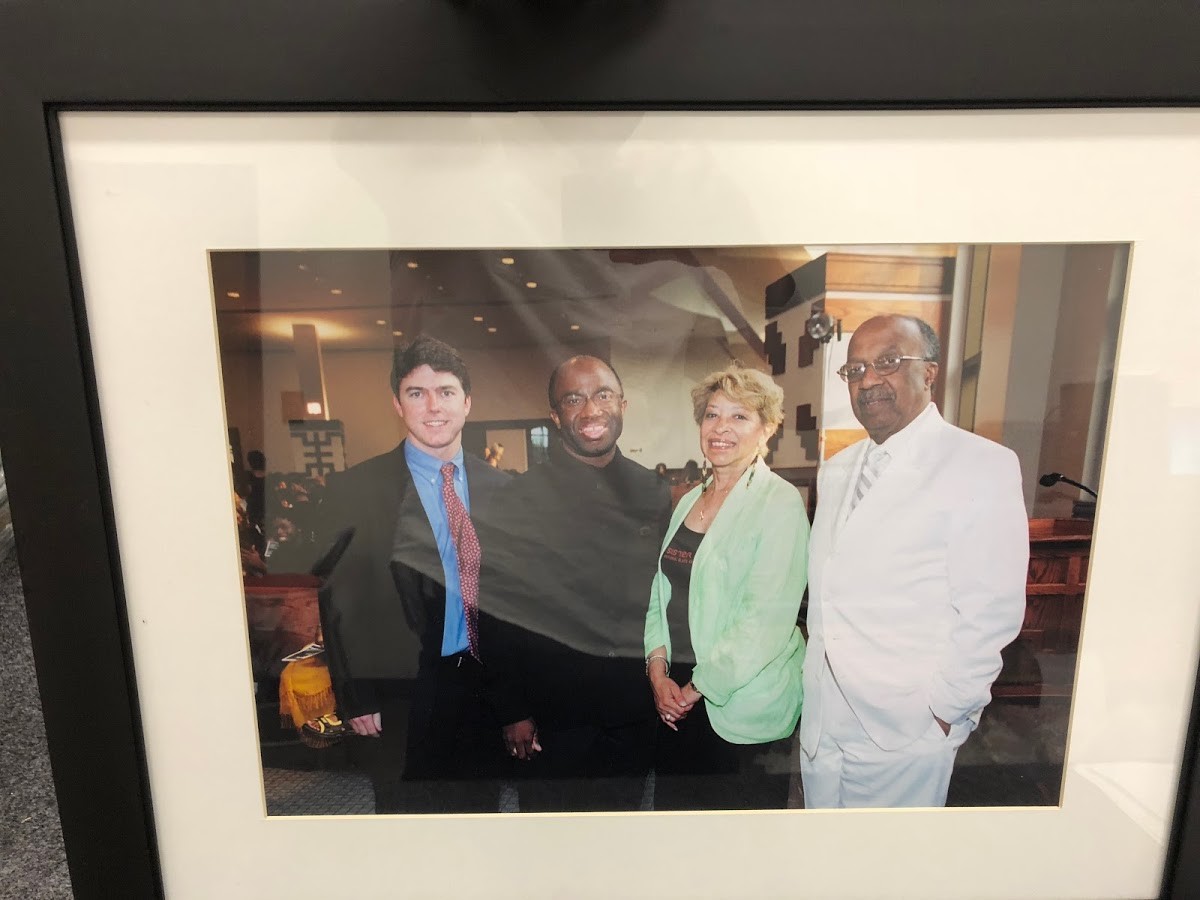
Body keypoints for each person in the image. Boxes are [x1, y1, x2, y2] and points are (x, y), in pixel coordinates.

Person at [800, 314, 1029, 808]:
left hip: (906, 723)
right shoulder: (836, 471)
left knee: (888, 872)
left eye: (887, 362)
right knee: (822, 865)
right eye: (855, 369)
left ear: (929, 372)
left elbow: (991, 609)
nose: (868, 380)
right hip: (823, 719)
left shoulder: (981, 465)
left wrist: (946, 709)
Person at [318, 335, 510, 813]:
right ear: (397, 405)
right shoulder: (356, 488)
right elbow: (341, 599)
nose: (433, 407)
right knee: (407, 822)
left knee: (480, 818)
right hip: (399, 691)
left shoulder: (506, 491)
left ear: (467, 402)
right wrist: (355, 694)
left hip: (482, 686)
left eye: (445, 392)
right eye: (416, 393)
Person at [478, 355, 671, 812]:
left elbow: (665, 597)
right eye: (574, 399)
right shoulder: (518, 499)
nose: (591, 410)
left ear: (622, 403)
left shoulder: (653, 492)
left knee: (620, 849)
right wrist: (512, 710)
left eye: (602, 394)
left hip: (631, 708)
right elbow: (496, 610)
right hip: (550, 717)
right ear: (555, 414)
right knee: (552, 859)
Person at [644, 364, 808, 810]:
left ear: (767, 429)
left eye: (740, 417)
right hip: (675, 698)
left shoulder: (779, 503)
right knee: (680, 845)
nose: (721, 428)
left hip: (735, 704)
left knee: (740, 860)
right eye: (712, 415)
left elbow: (764, 621)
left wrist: (694, 689)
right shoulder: (690, 500)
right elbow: (662, 592)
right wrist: (657, 671)